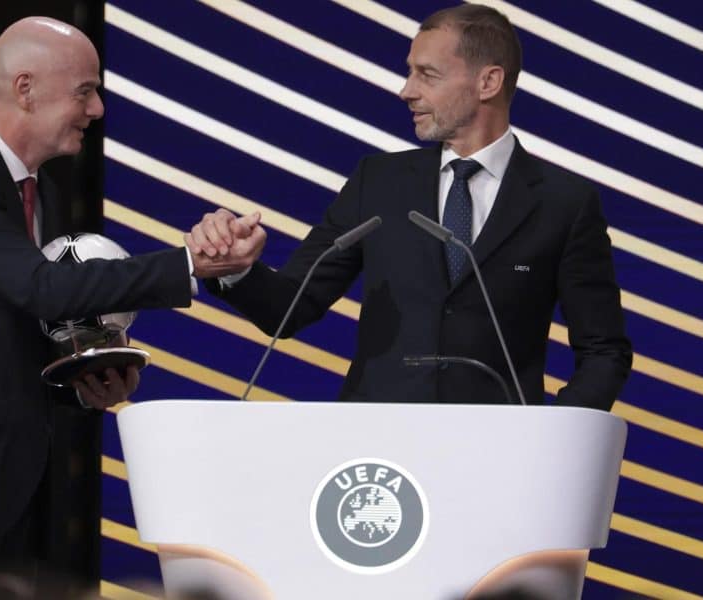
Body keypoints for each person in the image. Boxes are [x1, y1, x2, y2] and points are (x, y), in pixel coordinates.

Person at [0, 17, 252, 600]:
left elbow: (12, 330)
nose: (99, 109)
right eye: (85, 90)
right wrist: (189, 263)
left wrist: (80, 380)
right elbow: (44, 290)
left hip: (2, 496)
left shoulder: (42, 194)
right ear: (25, 88)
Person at [187, 4, 631, 409]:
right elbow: (289, 310)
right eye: (409, 73)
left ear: (488, 82)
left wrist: (559, 435)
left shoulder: (564, 201)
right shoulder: (377, 182)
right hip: (380, 450)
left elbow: (604, 350)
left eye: (428, 75)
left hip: (502, 456)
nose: (406, 91)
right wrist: (236, 270)